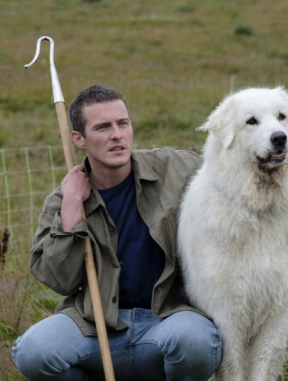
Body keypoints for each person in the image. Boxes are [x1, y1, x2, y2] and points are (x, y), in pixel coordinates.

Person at [12, 85, 222, 380]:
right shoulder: (63, 201)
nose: (117, 135)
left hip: (168, 317)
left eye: (123, 123)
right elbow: (59, 279)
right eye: (102, 127)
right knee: (33, 353)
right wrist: (72, 206)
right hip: (95, 326)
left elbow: (228, 178)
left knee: (196, 343)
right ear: (79, 139)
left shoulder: (176, 169)